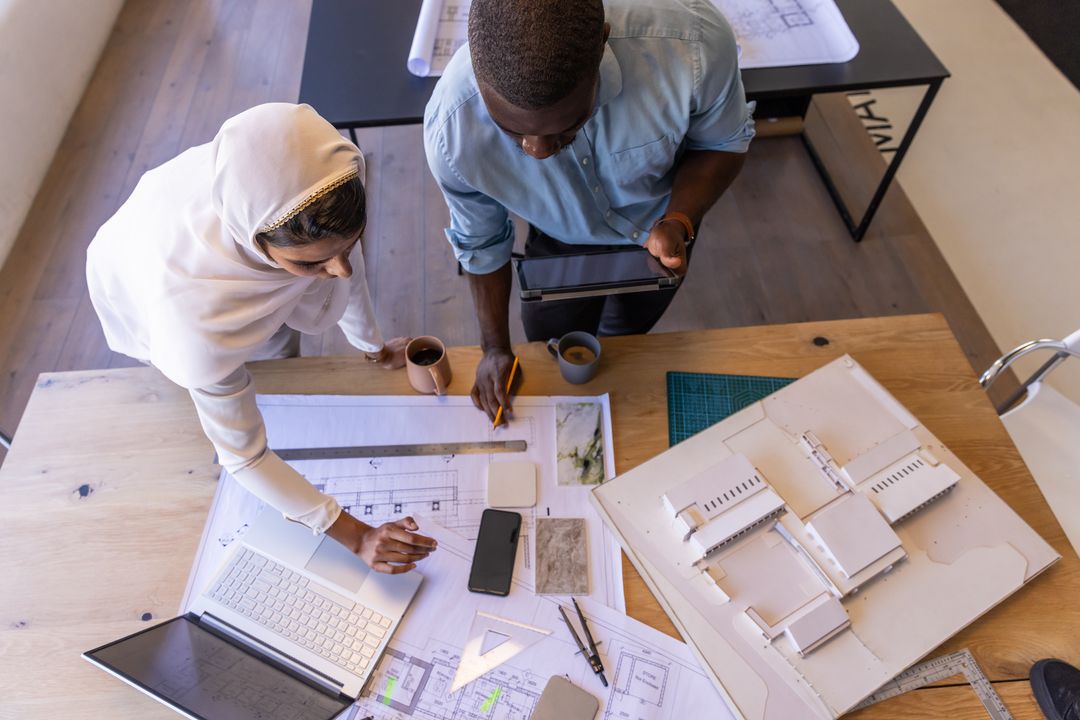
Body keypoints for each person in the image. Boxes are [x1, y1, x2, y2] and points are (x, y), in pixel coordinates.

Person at [87, 103, 436, 574]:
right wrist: (356, 537)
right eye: (310, 265)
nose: (339, 271)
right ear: (257, 244)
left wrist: (372, 347)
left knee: (276, 360)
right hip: (144, 272)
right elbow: (244, 457)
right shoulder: (192, 324)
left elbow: (344, 272)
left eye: (349, 247)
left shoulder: (300, 184)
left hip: (199, 248)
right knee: (218, 377)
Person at [424, 0, 754, 423]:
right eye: (511, 129)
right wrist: (494, 348)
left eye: (567, 126)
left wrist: (680, 218)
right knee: (551, 339)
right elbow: (482, 243)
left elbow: (721, 143)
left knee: (627, 337)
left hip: (662, 230)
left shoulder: (695, 45)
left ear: (602, 44)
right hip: (557, 242)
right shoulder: (452, 131)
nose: (538, 151)